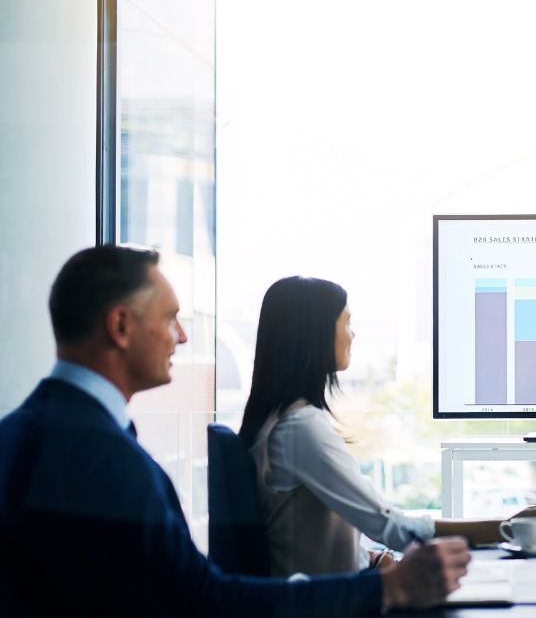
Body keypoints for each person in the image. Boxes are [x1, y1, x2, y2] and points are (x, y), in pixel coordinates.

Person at [0, 246, 469, 617]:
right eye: (170, 318)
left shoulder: (16, 435)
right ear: (121, 326)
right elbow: (200, 602)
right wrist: (386, 588)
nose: (181, 337)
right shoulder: (109, 460)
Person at [238, 276, 536, 577]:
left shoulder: (281, 421)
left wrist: (374, 560)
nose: (352, 334)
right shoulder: (300, 428)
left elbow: (319, 530)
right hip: (332, 604)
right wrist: (509, 527)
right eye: (346, 322)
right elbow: (392, 528)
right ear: (316, 333)